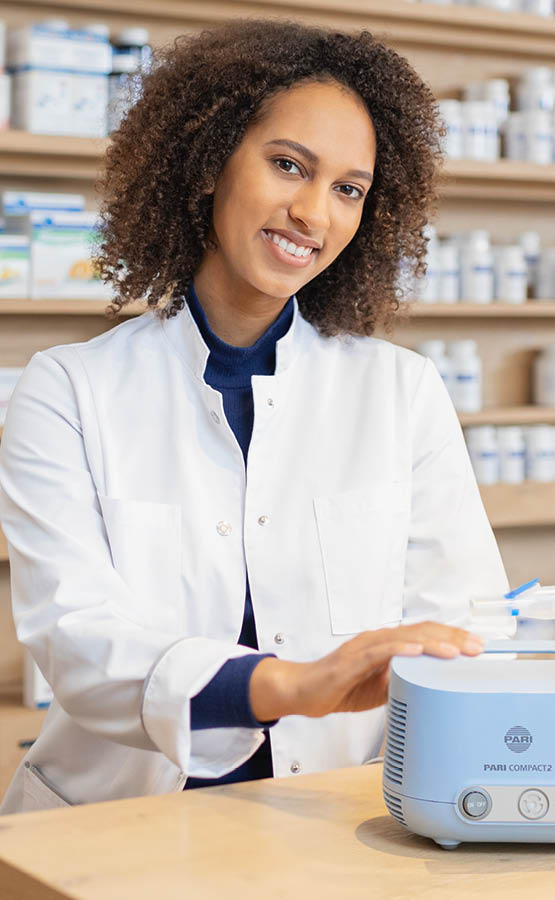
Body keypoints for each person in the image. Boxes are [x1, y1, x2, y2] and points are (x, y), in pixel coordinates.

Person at [0, 20, 509, 815]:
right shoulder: (67, 390)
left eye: (348, 189)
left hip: (337, 819)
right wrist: (291, 686)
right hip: (115, 828)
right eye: (287, 166)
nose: (313, 212)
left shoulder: (401, 392)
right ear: (210, 164)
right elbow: (79, 641)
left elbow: (466, 620)